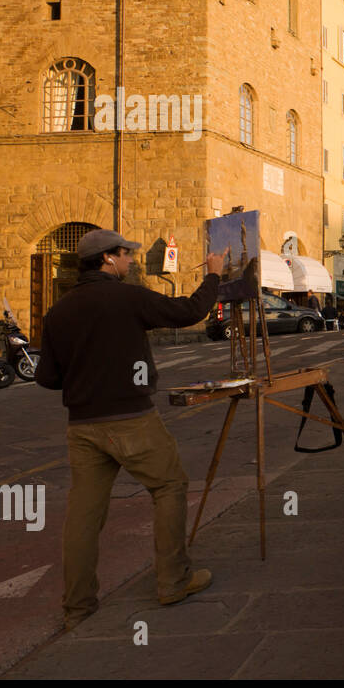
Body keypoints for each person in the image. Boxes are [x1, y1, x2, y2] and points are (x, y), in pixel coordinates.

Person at [35, 229, 223, 630]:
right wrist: (214, 275)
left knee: (84, 515)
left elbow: (47, 377)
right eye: (126, 255)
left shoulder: (58, 311)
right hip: (130, 418)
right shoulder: (128, 297)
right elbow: (188, 311)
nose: (131, 261)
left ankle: (78, 607)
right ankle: (173, 580)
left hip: (82, 425)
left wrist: (84, 374)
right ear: (107, 259)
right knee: (169, 486)